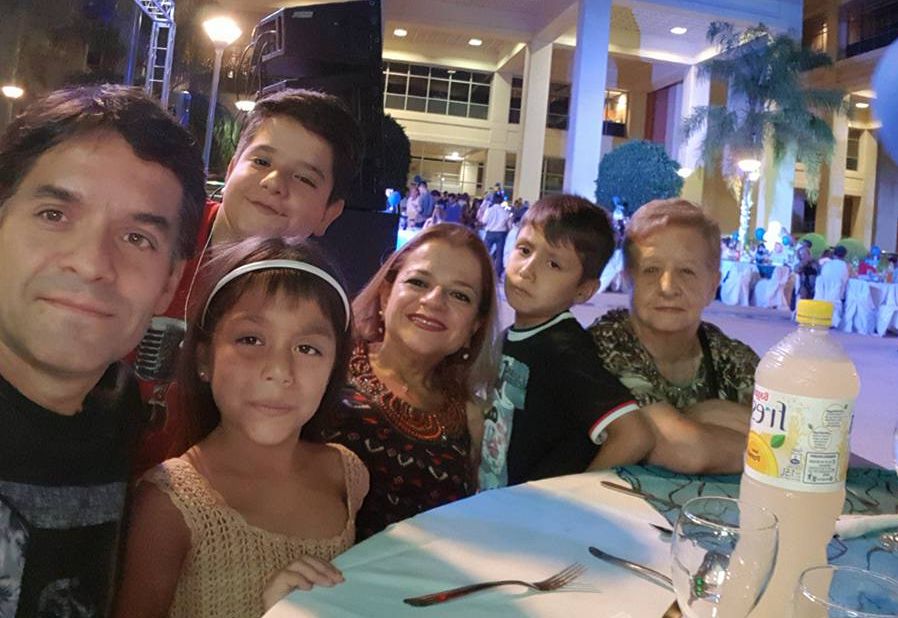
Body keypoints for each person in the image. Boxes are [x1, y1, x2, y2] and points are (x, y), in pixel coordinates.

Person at [0, 84, 206, 616]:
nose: (92, 263)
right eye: (54, 215)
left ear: (169, 284)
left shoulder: (118, 409)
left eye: (137, 238)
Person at [115, 238, 368, 618]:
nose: (279, 371)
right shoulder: (169, 504)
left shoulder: (345, 474)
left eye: (307, 348)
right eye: (251, 339)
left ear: (334, 368)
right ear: (204, 358)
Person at [135, 88, 362, 473]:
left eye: (304, 178)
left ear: (330, 213)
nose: (275, 182)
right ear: (229, 170)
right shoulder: (153, 238)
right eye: (261, 161)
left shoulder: (315, 308)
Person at [310, 223, 500, 540]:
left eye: (459, 295)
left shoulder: (473, 419)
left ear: (474, 327)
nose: (434, 300)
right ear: (386, 295)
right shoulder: (325, 366)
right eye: (418, 282)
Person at [479, 195, 652, 489]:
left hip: (534, 509)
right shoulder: (512, 335)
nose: (527, 269)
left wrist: (573, 495)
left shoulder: (565, 349)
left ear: (584, 290)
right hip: (499, 497)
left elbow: (635, 435)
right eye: (524, 250)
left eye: (553, 264)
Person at [589, 199, 759, 474]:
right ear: (628, 280)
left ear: (712, 286)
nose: (668, 287)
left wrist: (691, 420)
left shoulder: (728, 355)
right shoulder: (606, 343)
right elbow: (687, 450)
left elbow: (805, 439)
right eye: (651, 270)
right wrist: (766, 447)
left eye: (687, 271)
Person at [480, 192, 512, 277]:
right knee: (499, 254)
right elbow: (509, 225)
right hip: (501, 233)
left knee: (485, 252)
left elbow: (484, 221)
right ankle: (497, 273)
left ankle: (483, 270)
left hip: (490, 232)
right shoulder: (505, 211)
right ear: (501, 201)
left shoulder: (489, 210)